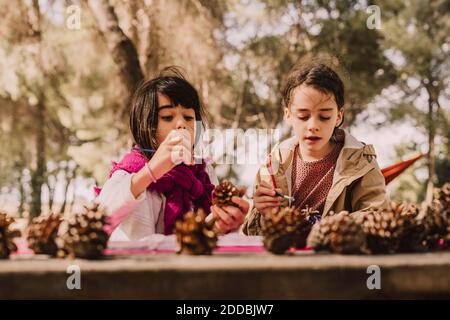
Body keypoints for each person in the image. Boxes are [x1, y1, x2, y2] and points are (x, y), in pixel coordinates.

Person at [95, 67, 248, 240]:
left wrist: (224, 224)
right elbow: (99, 220)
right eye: (168, 117)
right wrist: (150, 172)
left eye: (189, 118)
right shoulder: (130, 172)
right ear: (148, 127)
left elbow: (205, 233)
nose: (182, 124)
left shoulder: (203, 173)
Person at [242, 57, 389, 235]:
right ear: (288, 115)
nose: (313, 125)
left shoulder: (361, 162)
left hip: (338, 259)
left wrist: (327, 228)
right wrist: (263, 214)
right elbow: (254, 234)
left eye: (324, 116)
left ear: (339, 117)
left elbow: (377, 215)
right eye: (303, 116)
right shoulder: (273, 165)